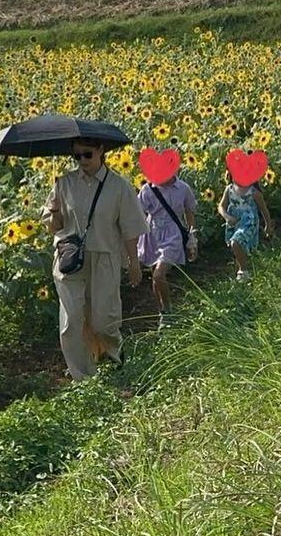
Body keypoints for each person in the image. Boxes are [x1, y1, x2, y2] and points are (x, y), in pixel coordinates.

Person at [42, 138, 148, 380]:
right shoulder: (64, 184)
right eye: (76, 156)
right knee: (71, 321)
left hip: (105, 257)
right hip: (69, 258)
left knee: (103, 321)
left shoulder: (119, 186)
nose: (81, 161)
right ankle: (83, 377)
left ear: (101, 151)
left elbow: (130, 228)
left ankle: (113, 354)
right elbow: (53, 224)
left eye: (87, 155)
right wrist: (54, 214)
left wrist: (134, 264)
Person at [137, 172, 197, 322]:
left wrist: (192, 238)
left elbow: (189, 214)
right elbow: (137, 212)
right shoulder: (148, 189)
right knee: (155, 276)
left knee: (158, 274)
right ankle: (161, 313)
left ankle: (168, 311)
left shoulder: (183, 188)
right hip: (152, 234)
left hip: (172, 235)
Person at [218, 173, 274, 282]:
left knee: (236, 242)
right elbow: (221, 206)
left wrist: (268, 225)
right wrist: (227, 216)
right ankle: (244, 269)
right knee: (237, 246)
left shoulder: (253, 192)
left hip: (249, 222)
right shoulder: (229, 189)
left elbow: (264, 209)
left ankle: (243, 271)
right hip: (234, 222)